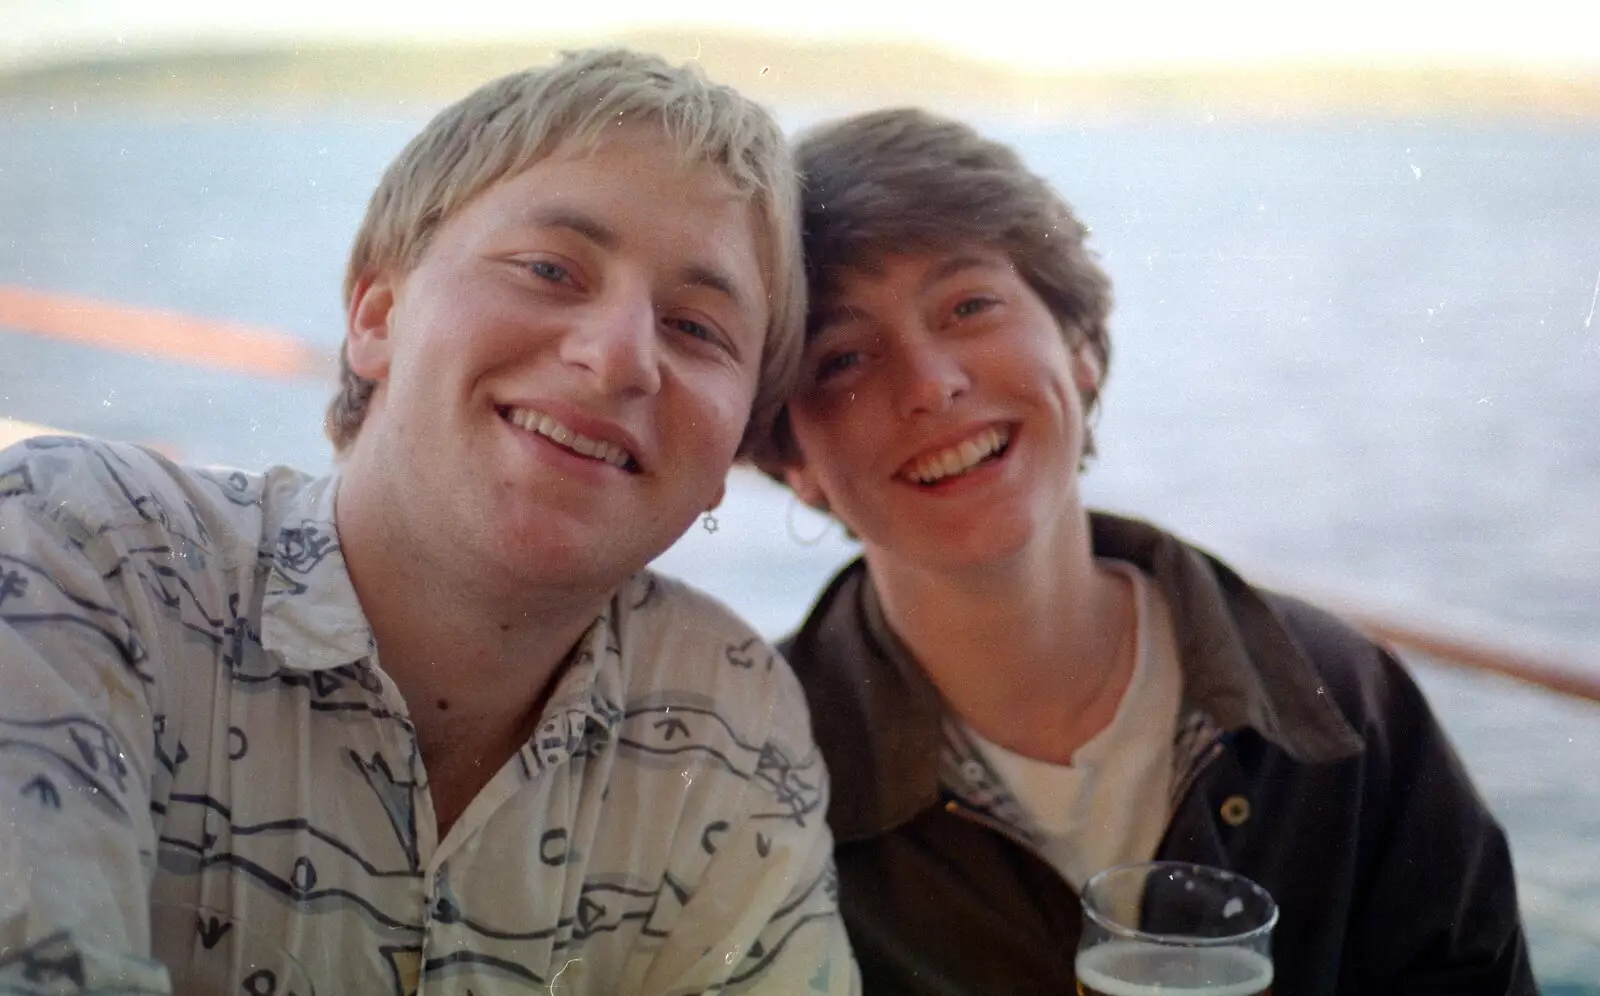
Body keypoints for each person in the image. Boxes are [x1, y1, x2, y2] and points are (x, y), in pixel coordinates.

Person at [0, 50, 859, 995]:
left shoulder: (723, 720)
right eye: (548, 268)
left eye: (697, 329)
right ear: (376, 315)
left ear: (728, 456)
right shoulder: (83, 553)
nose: (618, 356)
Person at [754, 107, 1535, 994]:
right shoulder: (752, 771)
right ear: (791, 457)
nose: (932, 383)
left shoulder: (1343, 699)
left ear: (1080, 350)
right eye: (845, 358)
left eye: (970, 305)